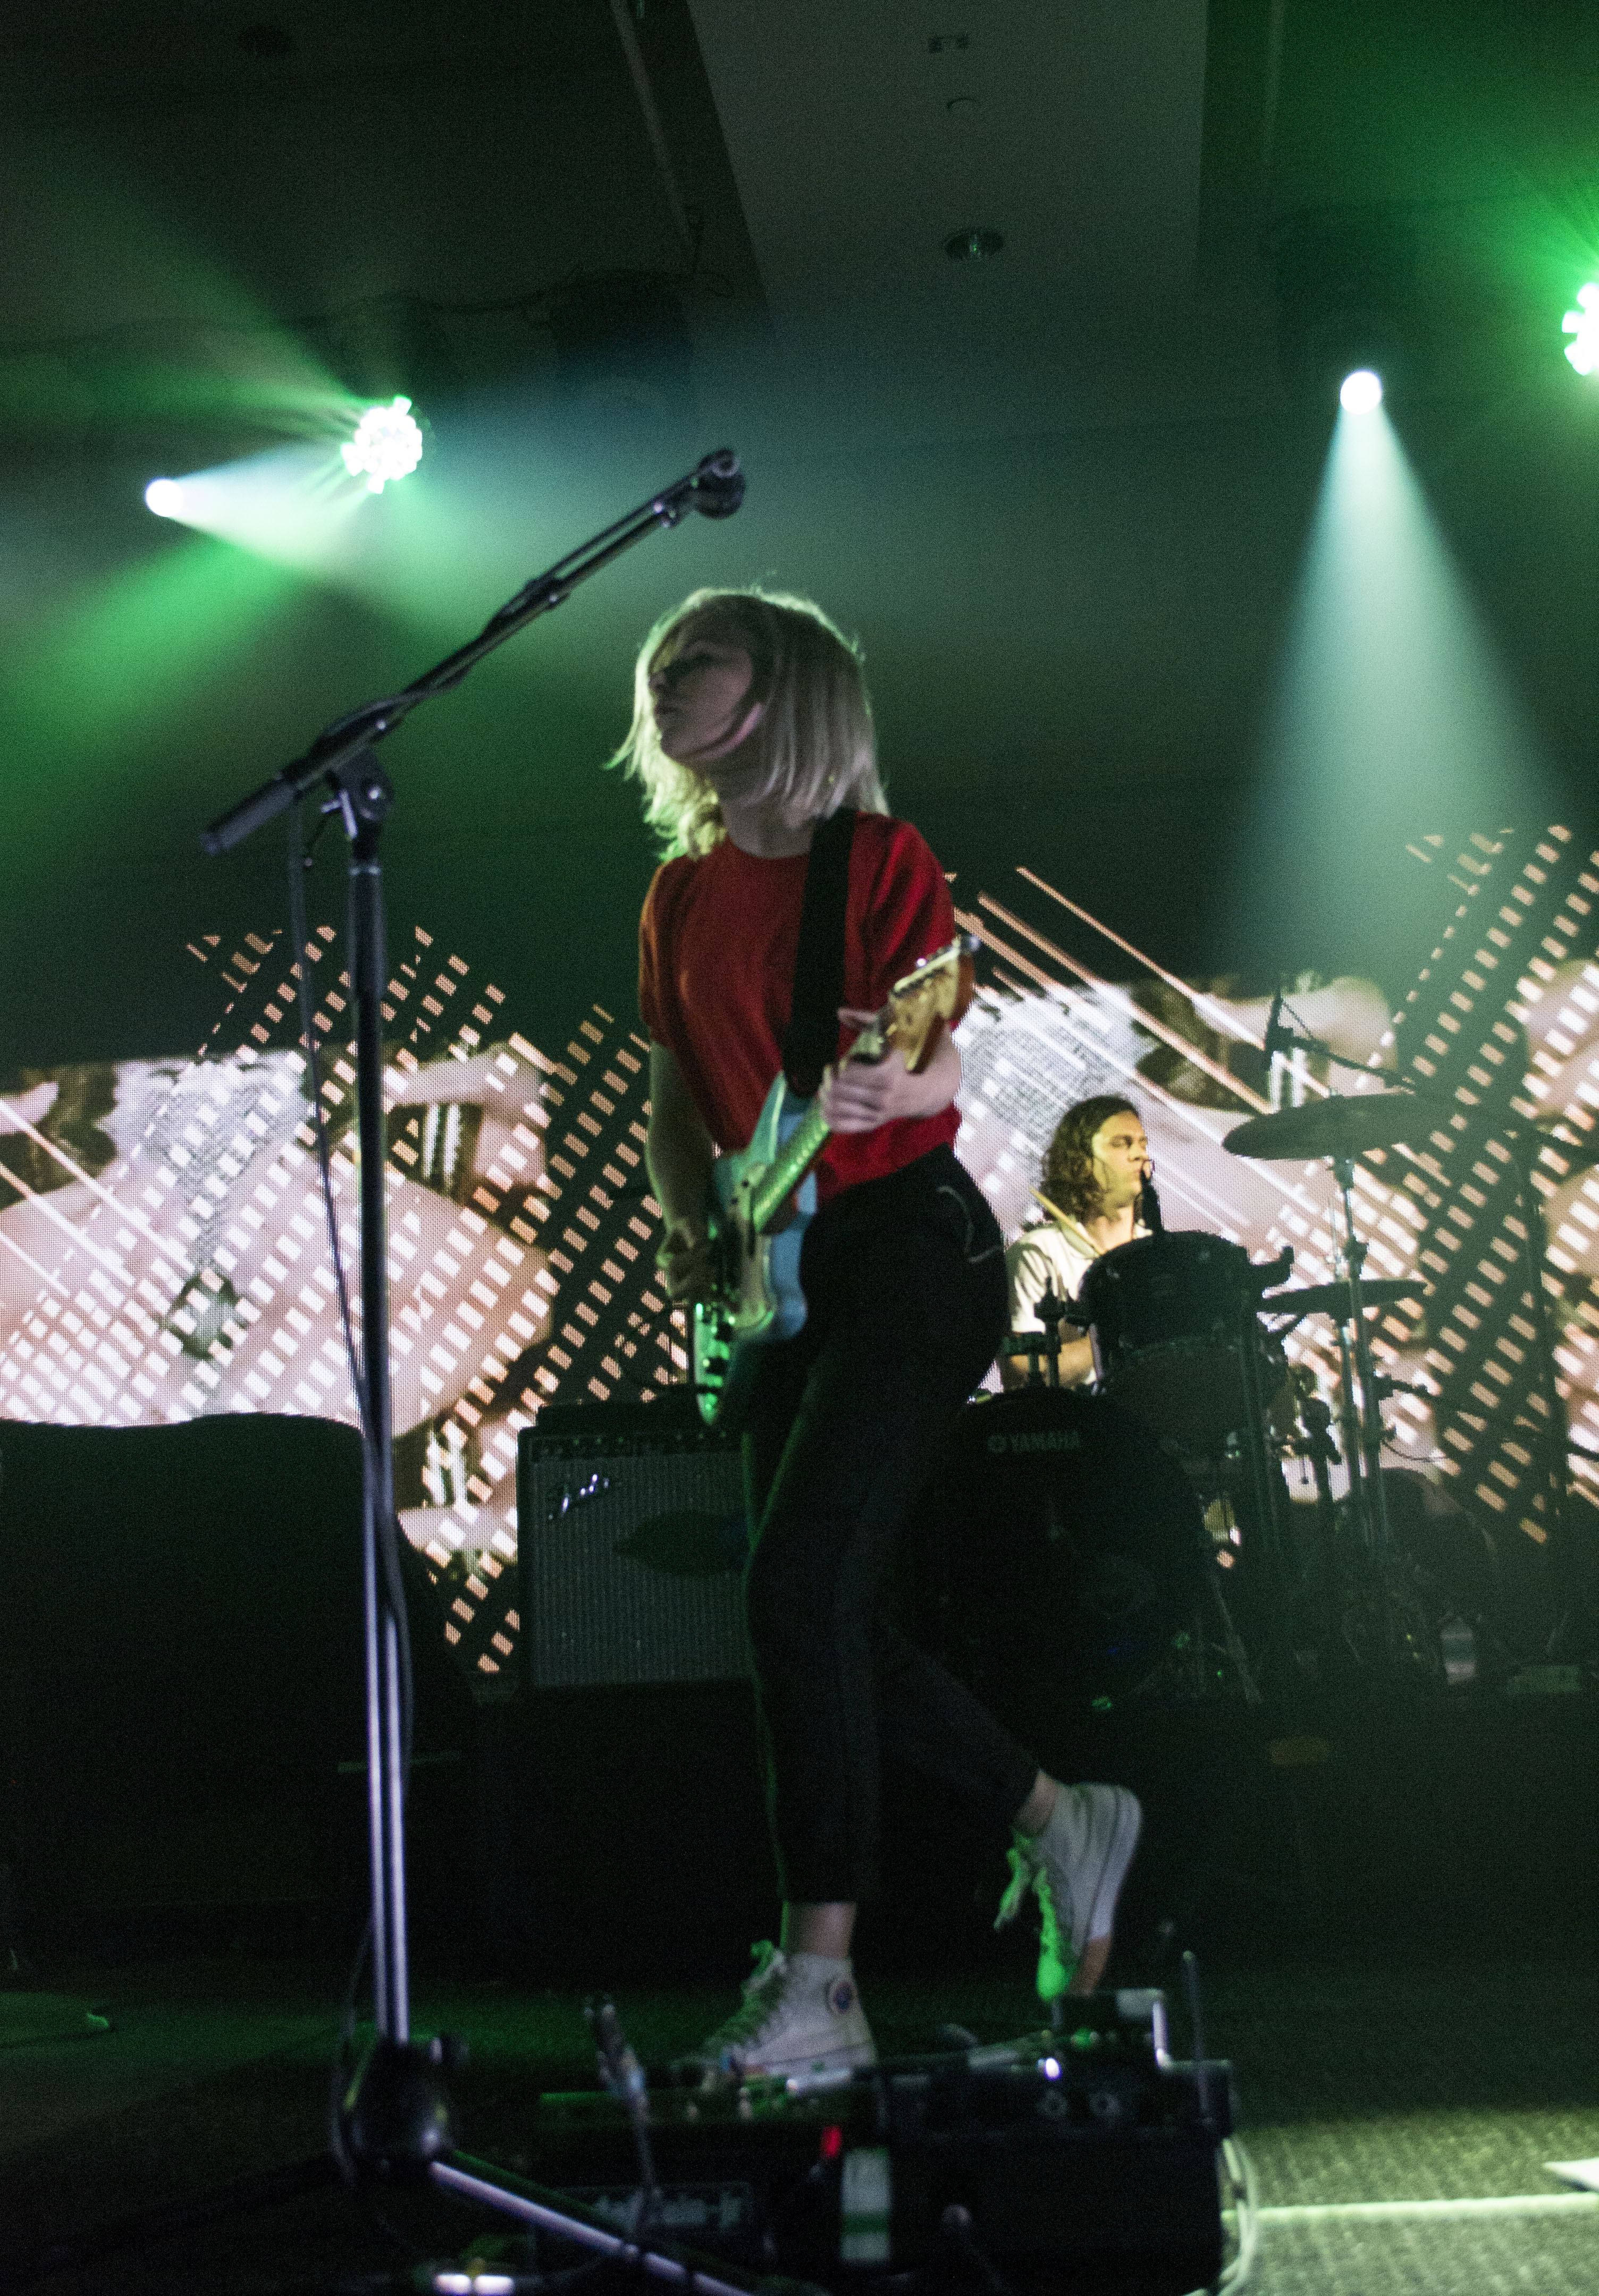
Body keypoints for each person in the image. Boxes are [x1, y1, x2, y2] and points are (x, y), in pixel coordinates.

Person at [620, 585, 1140, 2082]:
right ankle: (1060, 1818)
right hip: (776, 1270)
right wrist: (691, 1221)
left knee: (798, 1589)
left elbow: (939, 1049)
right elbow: (675, 1100)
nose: (664, 682)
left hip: (910, 1254)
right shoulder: (677, 896)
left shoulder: (877, 861)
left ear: (782, 690)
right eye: (658, 665)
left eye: (698, 660)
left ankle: (820, 1987)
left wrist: (897, 1088)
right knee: (813, 1611)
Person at [1002, 1096, 1152, 1389]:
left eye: (1142, 1144)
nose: (1139, 1155)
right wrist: (1114, 1333)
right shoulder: (1039, 1253)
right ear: (1081, 1162)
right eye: (1121, 1144)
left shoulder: (1156, 1252)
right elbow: (1022, 1374)